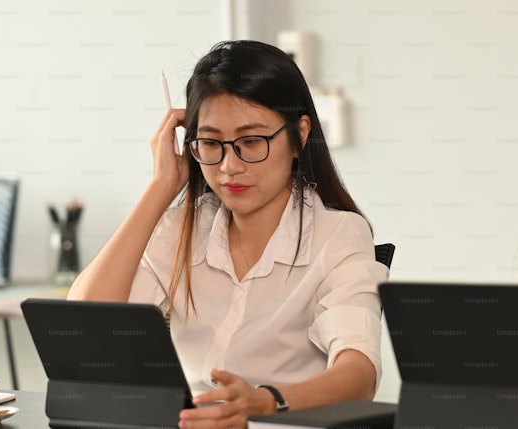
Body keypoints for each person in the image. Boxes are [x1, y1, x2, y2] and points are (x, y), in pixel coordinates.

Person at [67, 40, 387, 428]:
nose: (229, 166)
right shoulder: (181, 228)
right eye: (211, 143)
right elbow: (83, 324)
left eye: (251, 142)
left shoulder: (338, 235)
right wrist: (162, 186)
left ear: (299, 136)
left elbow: (358, 373)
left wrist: (268, 403)